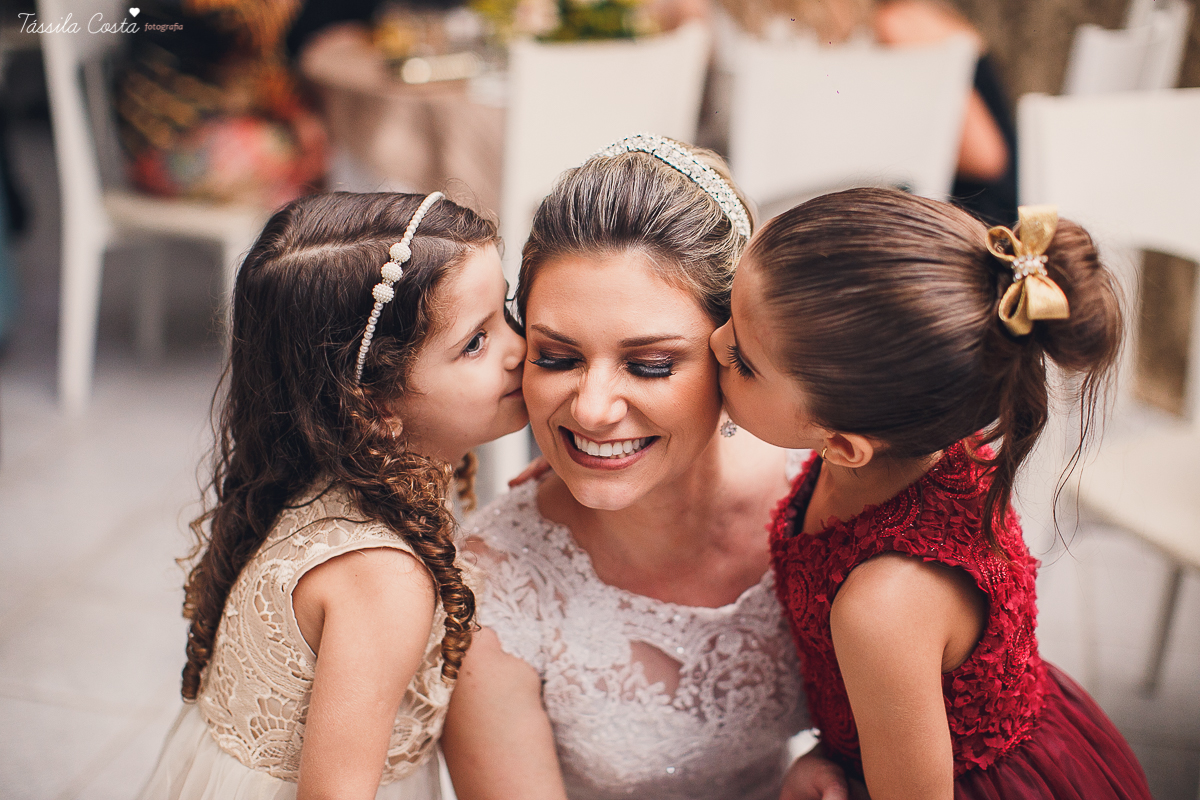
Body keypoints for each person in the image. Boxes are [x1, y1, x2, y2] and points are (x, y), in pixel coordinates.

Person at [710, 187, 1153, 799]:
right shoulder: (925, 426)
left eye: (742, 360)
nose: (713, 343)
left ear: (843, 446)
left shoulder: (882, 604)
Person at [441, 134, 846, 800]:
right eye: (558, 357)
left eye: (650, 364)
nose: (593, 411)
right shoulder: (496, 587)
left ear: (733, 353)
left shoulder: (824, 489)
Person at [138, 191, 528, 800]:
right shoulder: (384, 577)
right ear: (374, 406)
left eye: (504, 310)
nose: (519, 348)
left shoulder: (345, 464)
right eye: (475, 343)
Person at [709, 0, 1017, 225]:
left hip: (972, 219)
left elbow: (987, 160)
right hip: (885, 210)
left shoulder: (901, 24)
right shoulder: (812, 41)